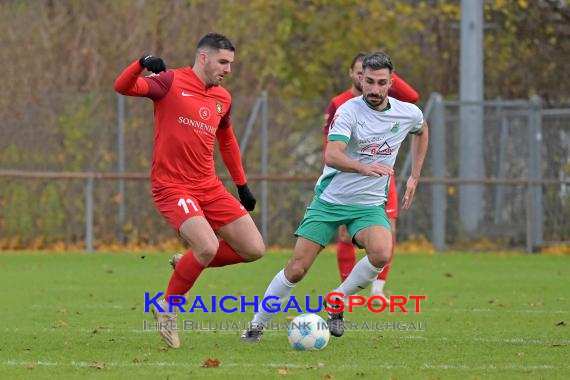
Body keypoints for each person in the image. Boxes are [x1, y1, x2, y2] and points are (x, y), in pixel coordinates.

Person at [241, 52, 429, 342]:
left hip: (367, 207)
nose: (375, 89)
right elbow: (332, 154)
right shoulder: (348, 111)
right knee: (297, 269)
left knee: (381, 252)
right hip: (330, 202)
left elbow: (421, 128)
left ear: (391, 82)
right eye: (369, 81)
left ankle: (336, 301)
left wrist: (415, 175)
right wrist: (362, 167)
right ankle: (257, 325)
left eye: (381, 83)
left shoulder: (407, 112)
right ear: (360, 79)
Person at [114, 32, 265, 349]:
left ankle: (187, 262)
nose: (227, 69)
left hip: (209, 186)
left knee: (253, 249)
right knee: (208, 247)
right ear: (204, 58)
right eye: (223, 62)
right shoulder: (168, 82)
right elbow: (123, 86)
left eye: (231, 63)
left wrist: (242, 185)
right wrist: (141, 63)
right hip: (172, 186)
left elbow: (227, 141)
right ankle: (167, 307)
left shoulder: (223, 98)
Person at [324, 53, 420, 304]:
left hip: (381, 178)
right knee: (345, 235)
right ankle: (346, 289)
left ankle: (377, 289)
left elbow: (413, 100)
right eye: (363, 76)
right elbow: (331, 145)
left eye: (382, 81)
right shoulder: (342, 104)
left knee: (387, 232)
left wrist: (387, 75)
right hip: (349, 177)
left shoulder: (386, 98)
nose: (371, 84)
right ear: (355, 75)